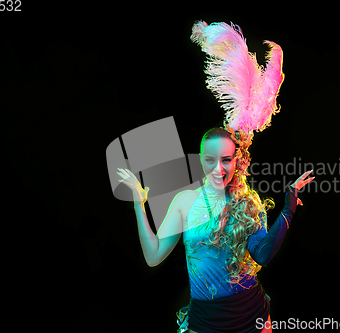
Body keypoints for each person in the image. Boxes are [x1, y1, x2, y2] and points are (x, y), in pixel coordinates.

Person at [117, 20, 315, 333]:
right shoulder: (185, 202)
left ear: (238, 161)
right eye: (210, 160)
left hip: (251, 316)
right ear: (201, 160)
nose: (218, 168)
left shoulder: (248, 204)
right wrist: (140, 204)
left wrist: (289, 207)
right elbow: (154, 256)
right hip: (206, 322)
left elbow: (262, 254)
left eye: (226, 160)